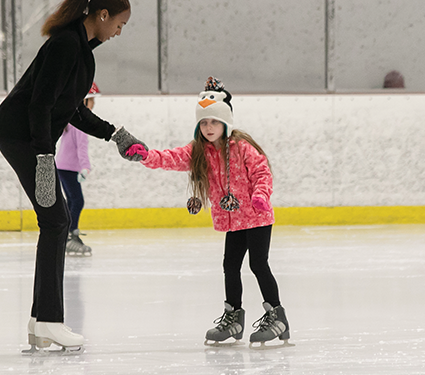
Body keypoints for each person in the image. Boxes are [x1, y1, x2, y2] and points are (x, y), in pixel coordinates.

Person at [0, 0, 147, 353]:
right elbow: (40, 104)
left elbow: (72, 111)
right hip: (20, 134)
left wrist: (115, 134)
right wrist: (44, 158)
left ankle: (40, 323)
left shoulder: (82, 53)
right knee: (56, 221)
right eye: (119, 24)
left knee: (55, 221)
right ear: (102, 15)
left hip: (25, 137)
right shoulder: (66, 44)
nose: (119, 32)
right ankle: (49, 321)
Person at [126, 77, 292, 348]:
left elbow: (262, 172)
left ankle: (277, 317)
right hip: (234, 221)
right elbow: (170, 158)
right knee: (230, 266)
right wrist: (145, 155)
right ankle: (234, 318)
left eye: (214, 122)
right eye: (203, 123)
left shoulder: (241, 148)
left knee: (258, 264)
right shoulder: (199, 152)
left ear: (226, 122)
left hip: (257, 216)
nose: (209, 127)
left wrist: (261, 196)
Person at [56, 82, 101, 257]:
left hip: (64, 167)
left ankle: (67, 235)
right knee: (77, 201)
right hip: (68, 168)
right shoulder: (81, 123)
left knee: (72, 201)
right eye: (91, 101)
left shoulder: (72, 120)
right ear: (83, 101)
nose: (94, 105)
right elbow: (81, 148)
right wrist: (85, 168)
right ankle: (70, 236)